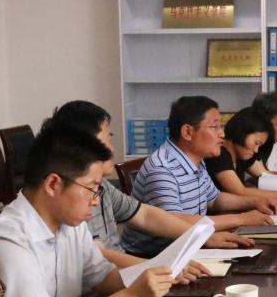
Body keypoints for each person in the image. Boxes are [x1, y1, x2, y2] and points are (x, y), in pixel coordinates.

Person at [0, 126, 178, 297]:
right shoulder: (7, 239)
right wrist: (134, 296)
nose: (96, 201)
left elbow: (102, 277)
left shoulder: (69, 223)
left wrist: (154, 274)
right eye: (92, 188)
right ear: (53, 184)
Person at [44, 101, 253, 279]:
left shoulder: (104, 187)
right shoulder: (69, 199)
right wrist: (157, 269)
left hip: (123, 273)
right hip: (126, 270)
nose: (112, 148)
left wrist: (201, 237)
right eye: (107, 139)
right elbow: (97, 258)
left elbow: (145, 215)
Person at [121, 96, 276, 258]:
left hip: (189, 245)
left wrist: (255, 202)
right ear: (188, 132)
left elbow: (215, 199)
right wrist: (242, 219)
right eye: (214, 127)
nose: (222, 133)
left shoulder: (196, 160)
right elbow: (175, 222)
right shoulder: (162, 169)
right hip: (156, 257)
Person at [204, 108, 277, 203]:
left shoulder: (241, 155)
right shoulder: (219, 155)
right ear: (242, 131)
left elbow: (266, 175)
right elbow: (240, 191)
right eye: (256, 143)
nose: (256, 150)